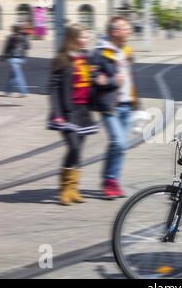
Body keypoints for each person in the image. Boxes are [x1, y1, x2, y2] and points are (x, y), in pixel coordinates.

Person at [47, 24, 99, 206]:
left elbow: (88, 83)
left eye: (86, 37)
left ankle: (73, 189)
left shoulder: (85, 58)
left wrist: (96, 79)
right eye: (83, 37)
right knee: (74, 147)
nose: (86, 40)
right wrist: (57, 112)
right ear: (74, 38)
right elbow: (53, 89)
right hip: (67, 112)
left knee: (78, 150)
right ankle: (64, 188)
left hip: (83, 111)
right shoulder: (62, 59)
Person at [90, 16, 138, 199]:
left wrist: (135, 101)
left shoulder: (126, 51)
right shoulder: (99, 53)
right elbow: (94, 78)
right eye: (126, 28)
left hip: (126, 104)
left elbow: (130, 78)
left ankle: (111, 181)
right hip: (109, 105)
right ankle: (109, 179)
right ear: (115, 32)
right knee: (118, 142)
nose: (129, 31)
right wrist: (111, 81)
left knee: (119, 145)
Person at [2, 24, 30, 97]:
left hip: (13, 58)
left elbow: (6, 48)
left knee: (18, 76)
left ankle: (23, 92)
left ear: (13, 29)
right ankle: (7, 91)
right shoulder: (24, 37)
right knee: (12, 76)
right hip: (22, 58)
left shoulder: (10, 37)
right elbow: (28, 47)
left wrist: (3, 56)